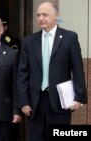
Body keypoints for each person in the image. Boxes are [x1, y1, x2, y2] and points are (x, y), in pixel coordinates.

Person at [17, 2, 87, 141]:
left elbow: (77, 69)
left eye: (45, 14)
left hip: (60, 102)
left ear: (56, 16)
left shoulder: (69, 38)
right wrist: (23, 101)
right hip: (35, 103)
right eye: (38, 15)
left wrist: (79, 97)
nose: (41, 18)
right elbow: (22, 73)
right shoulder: (28, 41)